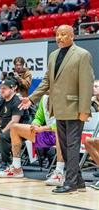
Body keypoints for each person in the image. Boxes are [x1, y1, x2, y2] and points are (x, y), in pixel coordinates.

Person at [20, 25, 94, 194]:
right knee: (65, 145)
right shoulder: (53, 55)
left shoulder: (82, 55)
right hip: (58, 108)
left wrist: (84, 110)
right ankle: (79, 181)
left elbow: (86, 84)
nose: (59, 37)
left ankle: (71, 183)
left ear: (72, 36)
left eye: (63, 35)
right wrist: (31, 98)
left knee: (72, 145)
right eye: (57, 35)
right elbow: (47, 82)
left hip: (75, 108)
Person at [0, 95, 66, 187]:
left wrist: (44, 128)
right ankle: (16, 168)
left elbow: (64, 123)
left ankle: (59, 173)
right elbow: (39, 117)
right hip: (48, 135)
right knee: (14, 127)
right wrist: (34, 124)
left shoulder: (65, 98)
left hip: (63, 135)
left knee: (59, 132)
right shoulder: (45, 98)